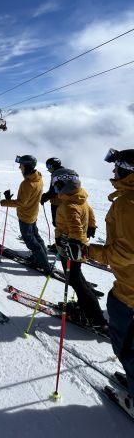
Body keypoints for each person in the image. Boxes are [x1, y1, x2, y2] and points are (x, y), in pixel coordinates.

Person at [88, 148, 134, 410]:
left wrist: (87, 252)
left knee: (126, 346)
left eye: (116, 166)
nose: (113, 171)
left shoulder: (127, 204)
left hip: (130, 291)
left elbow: (126, 253)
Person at [53, 167, 108, 330]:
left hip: (70, 250)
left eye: (56, 184)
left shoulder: (69, 205)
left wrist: (71, 243)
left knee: (76, 282)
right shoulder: (79, 198)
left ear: (64, 184)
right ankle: (84, 306)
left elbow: (76, 230)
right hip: (75, 248)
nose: (55, 188)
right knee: (77, 279)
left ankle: (96, 319)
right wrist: (91, 226)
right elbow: (90, 213)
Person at [0, 155, 51, 273]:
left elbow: (21, 203)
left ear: (27, 166)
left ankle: (43, 264)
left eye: (21, 165)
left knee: (29, 240)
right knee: (35, 236)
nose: (19, 167)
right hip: (33, 213)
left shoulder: (27, 183)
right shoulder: (38, 178)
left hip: (26, 215)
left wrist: (5, 202)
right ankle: (41, 257)